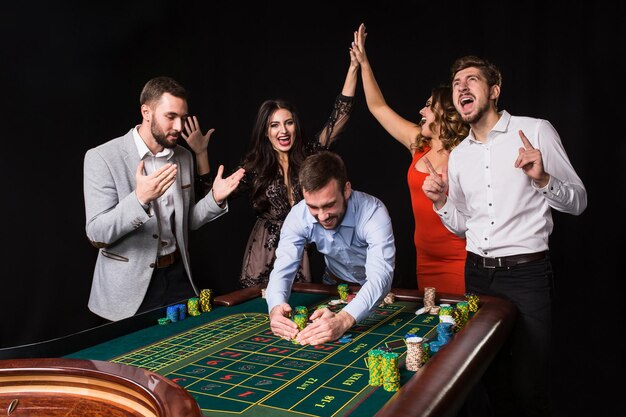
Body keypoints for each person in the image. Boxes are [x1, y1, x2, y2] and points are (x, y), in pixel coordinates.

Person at [422, 55, 587, 417]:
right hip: (478, 276)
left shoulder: (536, 131)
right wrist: (441, 203)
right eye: (456, 83)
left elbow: (578, 202)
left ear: (494, 90)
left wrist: (543, 180)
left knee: (528, 387)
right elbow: (463, 224)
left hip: (528, 276)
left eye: (472, 80)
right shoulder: (460, 155)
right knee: (488, 382)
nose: (461, 87)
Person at [83, 76, 245, 322]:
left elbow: (186, 222)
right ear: (146, 112)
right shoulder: (102, 157)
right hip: (128, 291)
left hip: (178, 277)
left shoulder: (183, 157)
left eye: (182, 117)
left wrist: (215, 199)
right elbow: (97, 233)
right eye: (171, 117)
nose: (179, 127)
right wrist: (140, 199)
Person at [351, 23, 468, 295]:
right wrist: (364, 63)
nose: (421, 110)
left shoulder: (468, 153)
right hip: (425, 259)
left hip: (460, 258)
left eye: (429, 105)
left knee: (461, 328)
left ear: (445, 113)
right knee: (434, 330)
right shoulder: (419, 144)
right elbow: (378, 107)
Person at [232, 43, 360, 290]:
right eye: (274, 125)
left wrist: (353, 67)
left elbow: (339, 116)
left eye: (288, 123)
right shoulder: (255, 166)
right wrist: (202, 154)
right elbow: (215, 193)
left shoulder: (310, 156)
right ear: (266, 132)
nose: (283, 130)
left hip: (300, 252)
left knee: (297, 312)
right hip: (263, 254)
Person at [265, 151, 396, 345]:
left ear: (346, 190)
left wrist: (343, 320)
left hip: (378, 291)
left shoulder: (373, 211)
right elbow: (283, 268)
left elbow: (380, 278)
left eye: (329, 205)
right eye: (313, 207)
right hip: (334, 284)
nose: (322, 216)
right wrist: (275, 307)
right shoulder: (299, 215)